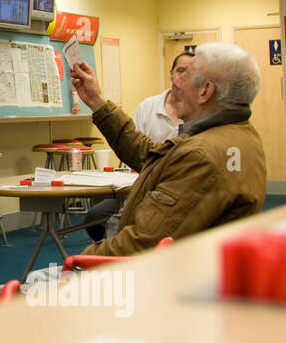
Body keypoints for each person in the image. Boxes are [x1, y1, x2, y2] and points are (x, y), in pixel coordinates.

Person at [69, 41, 267, 255]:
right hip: (202, 272)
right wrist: (97, 101)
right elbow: (153, 158)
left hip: (161, 278)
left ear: (205, 91)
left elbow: (141, 244)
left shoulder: (201, 156)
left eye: (185, 75)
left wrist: (77, 267)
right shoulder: (240, 135)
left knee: (40, 279)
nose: (175, 83)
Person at [83, 52, 195, 241]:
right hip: (141, 185)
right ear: (171, 74)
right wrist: (97, 102)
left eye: (191, 73)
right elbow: (138, 149)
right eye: (180, 70)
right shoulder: (149, 107)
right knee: (95, 218)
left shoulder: (199, 118)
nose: (183, 78)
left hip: (170, 194)